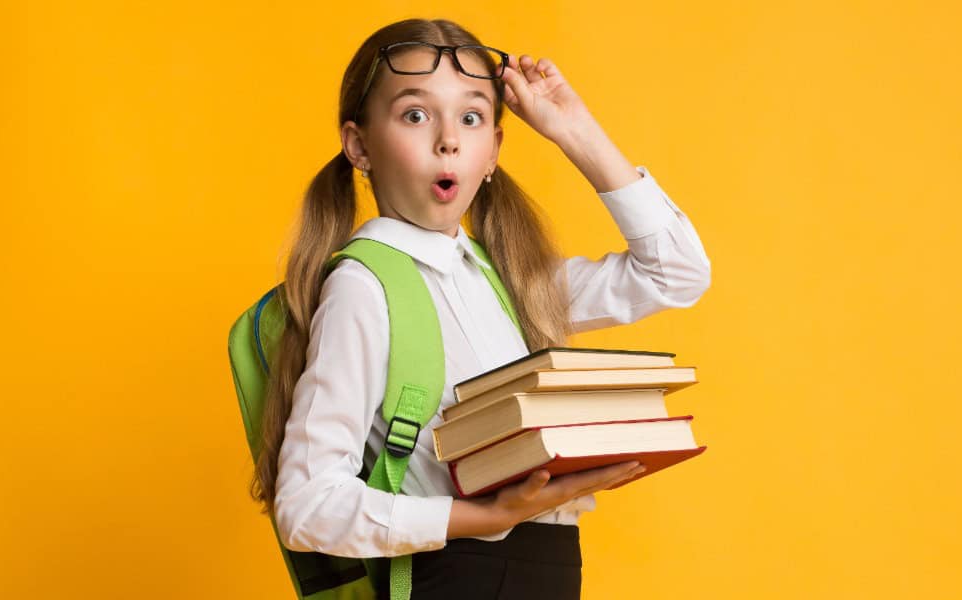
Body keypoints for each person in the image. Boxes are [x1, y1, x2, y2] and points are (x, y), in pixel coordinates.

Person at [249, 17, 712, 600]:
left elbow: (676, 272)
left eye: (471, 118)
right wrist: (480, 519)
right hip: (459, 574)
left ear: (492, 149)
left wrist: (574, 131)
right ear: (359, 145)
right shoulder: (364, 287)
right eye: (415, 115)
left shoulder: (510, 282)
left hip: (549, 571)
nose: (449, 139)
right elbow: (306, 505)